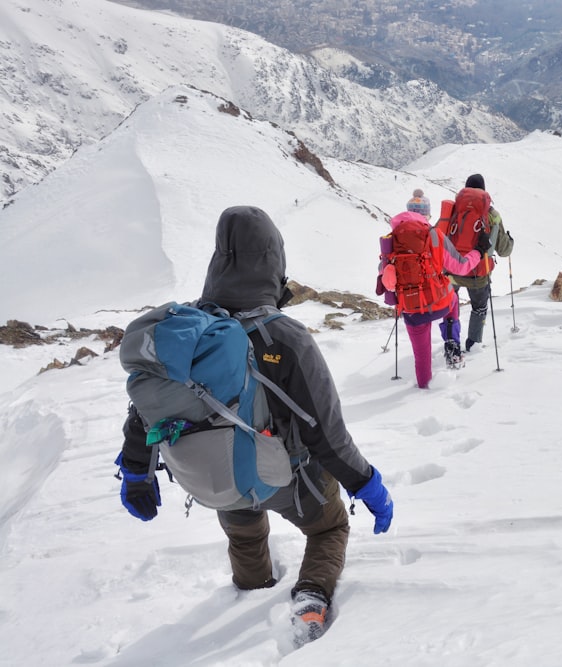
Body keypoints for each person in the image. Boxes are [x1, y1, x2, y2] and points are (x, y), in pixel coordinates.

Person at [114, 205, 393, 643]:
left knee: (244, 536)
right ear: (273, 263)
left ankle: (251, 587)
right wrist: (367, 484)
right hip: (289, 478)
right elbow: (326, 433)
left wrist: (136, 474)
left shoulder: (188, 333)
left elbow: (143, 412)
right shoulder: (285, 338)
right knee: (329, 527)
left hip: (216, 476)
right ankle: (311, 598)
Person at [380, 196, 489, 388]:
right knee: (453, 298)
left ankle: (424, 389)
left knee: (422, 357)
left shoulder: (391, 239)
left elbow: (385, 275)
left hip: (411, 309)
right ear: (426, 215)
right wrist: (478, 251)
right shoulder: (435, 235)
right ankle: (452, 342)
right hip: (439, 303)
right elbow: (461, 267)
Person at [448, 174, 514, 352]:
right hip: (478, 273)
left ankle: (451, 341)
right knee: (478, 307)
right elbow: (503, 250)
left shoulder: (454, 210)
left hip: (451, 271)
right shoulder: (491, 215)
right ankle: (473, 344)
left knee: (450, 305)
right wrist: (510, 241)